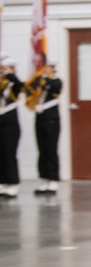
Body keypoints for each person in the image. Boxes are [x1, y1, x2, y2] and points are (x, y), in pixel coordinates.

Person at [23, 62, 61, 194]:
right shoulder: (40, 80)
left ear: (52, 68)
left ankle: (54, 180)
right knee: (42, 149)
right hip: (40, 117)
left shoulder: (57, 81)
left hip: (51, 119)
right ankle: (44, 179)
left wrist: (44, 79)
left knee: (51, 149)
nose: (44, 69)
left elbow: (53, 88)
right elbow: (30, 88)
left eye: (47, 67)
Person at [0, 54, 23, 198]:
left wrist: (10, 74)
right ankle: (2, 182)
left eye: (4, 68)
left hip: (10, 123)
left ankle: (13, 183)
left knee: (9, 153)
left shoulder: (13, 83)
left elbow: (20, 85)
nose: (1, 71)